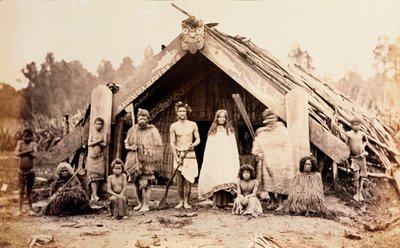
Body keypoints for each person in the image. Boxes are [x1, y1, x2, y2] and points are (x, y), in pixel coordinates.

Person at [252, 108, 296, 211]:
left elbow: (288, 145)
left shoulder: (282, 131)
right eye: (268, 120)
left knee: (279, 181)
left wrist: (285, 158)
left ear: (275, 119)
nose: (270, 123)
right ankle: (272, 202)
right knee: (268, 181)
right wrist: (258, 153)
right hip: (266, 159)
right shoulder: (262, 132)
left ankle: (280, 202)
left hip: (280, 160)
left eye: (272, 119)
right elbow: (256, 146)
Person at [198, 109, 240, 208]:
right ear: (216, 118)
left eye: (223, 117)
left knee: (225, 178)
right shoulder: (213, 130)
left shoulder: (229, 130)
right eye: (219, 117)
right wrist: (211, 157)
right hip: (216, 158)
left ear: (226, 118)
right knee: (216, 178)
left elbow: (233, 146)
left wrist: (231, 157)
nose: (221, 119)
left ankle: (225, 203)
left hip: (226, 157)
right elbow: (209, 146)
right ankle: (215, 203)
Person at [124, 108, 163, 212]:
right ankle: (140, 203)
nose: (142, 120)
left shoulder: (153, 131)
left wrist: (145, 149)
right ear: (137, 118)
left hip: (147, 162)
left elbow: (157, 146)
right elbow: (126, 144)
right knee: (136, 183)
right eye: (141, 118)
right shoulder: (132, 130)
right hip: (134, 160)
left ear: (148, 119)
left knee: (146, 183)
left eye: (145, 118)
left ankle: (146, 204)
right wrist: (131, 147)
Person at [169, 101, 200, 209]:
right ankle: (181, 201)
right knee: (179, 180)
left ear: (187, 112)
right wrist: (176, 158)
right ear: (177, 113)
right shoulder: (173, 126)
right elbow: (172, 143)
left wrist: (194, 145)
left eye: (184, 111)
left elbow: (198, 139)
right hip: (178, 153)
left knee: (188, 179)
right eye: (180, 111)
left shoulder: (192, 124)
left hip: (189, 153)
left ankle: (187, 201)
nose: (182, 113)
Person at [15, 128, 37, 215]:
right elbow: (17, 154)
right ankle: (19, 210)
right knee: (21, 191)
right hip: (21, 172)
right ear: (22, 137)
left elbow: (34, 155)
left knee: (29, 191)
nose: (27, 138)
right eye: (25, 136)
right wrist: (29, 151)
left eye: (29, 136)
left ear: (32, 137)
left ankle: (30, 209)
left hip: (31, 172)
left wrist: (23, 152)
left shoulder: (33, 144)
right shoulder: (20, 143)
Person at [345, 118, 368, 202]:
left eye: (358, 125)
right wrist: (348, 157)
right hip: (354, 158)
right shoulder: (348, 134)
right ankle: (355, 193)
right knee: (356, 176)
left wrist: (363, 146)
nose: (356, 126)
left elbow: (366, 141)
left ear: (360, 126)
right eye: (354, 125)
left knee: (362, 176)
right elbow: (346, 145)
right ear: (351, 126)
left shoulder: (362, 134)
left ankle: (360, 193)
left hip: (362, 157)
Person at [87, 117, 107, 202]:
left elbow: (104, 144)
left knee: (98, 175)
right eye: (97, 124)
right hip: (92, 157)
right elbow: (89, 144)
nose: (98, 125)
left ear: (102, 125)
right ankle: (95, 195)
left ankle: (94, 195)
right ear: (94, 124)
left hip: (100, 157)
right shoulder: (92, 133)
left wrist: (96, 141)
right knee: (92, 176)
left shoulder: (104, 133)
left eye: (100, 124)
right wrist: (98, 140)